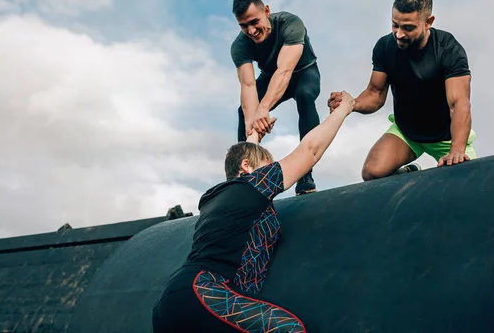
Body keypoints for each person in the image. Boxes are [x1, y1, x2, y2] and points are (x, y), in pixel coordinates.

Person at [151, 91, 355, 332]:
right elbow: (309, 151)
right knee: (289, 329)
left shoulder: (223, 200)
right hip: (204, 291)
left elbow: (242, 171)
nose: (272, 172)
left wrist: (253, 139)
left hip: (173, 302)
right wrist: (343, 110)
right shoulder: (249, 187)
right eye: (267, 166)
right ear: (248, 168)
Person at [328, 0, 477, 181]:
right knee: (372, 173)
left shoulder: (448, 49)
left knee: (468, 180)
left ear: (428, 22)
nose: (399, 34)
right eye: (394, 25)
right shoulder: (385, 47)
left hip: (446, 137)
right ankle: (409, 173)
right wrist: (351, 103)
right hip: (407, 133)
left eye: (408, 28)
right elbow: (375, 93)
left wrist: (456, 150)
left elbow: (459, 104)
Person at [230, 0, 321, 195]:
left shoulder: (290, 24)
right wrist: (252, 123)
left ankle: (306, 176)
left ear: (267, 11)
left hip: (303, 72)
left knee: (305, 96)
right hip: (270, 76)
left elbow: (285, 70)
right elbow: (248, 85)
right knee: (243, 113)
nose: (251, 31)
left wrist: (263, 108)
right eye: (244, 26)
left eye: (254, 22)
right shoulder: (239, 45)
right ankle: (243, 178)